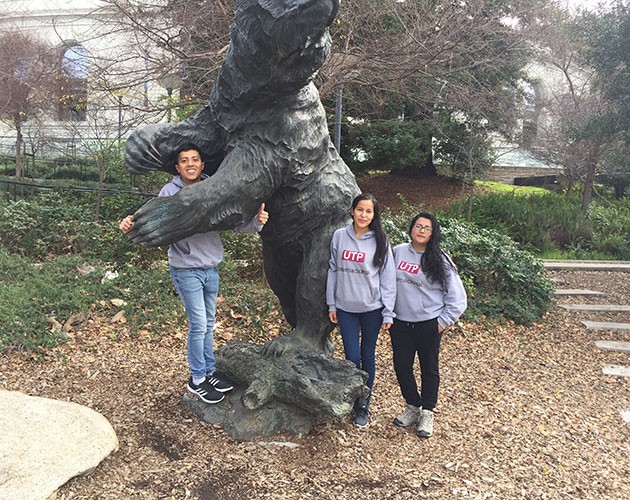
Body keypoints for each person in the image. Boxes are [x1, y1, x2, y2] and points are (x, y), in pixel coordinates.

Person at [120, 143, 269, 404]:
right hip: (186, 269)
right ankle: (197, 379)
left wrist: (256, 222)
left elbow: (231, 221)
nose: (190, 164)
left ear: (202, 164)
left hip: (211, 267)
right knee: (199, 325)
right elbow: (151, 219)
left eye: (195, 159)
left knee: (208, 325)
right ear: (177, 167)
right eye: (185, 161)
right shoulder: (170, 191)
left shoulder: (213, 187)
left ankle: (209, 372)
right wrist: (130, 224)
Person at [390, 212, 467, 438]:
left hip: (428, 324)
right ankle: (412, 406)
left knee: (429, 369)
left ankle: (427, 411)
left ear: (433, 233)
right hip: (401, 323)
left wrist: (441, 323)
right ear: (411, 228)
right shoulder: (398, 252)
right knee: (402, 366)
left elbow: (458, 298)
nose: (421, 231)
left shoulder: (440, 259)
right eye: (418, 226)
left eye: (427, 228)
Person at [326, 193, 396, 428]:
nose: (363, 215)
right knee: (352, 358)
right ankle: (352, 396)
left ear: (374, 215)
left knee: (367, 356)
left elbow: (388, 279)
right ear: (352, 211)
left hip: (372, 309)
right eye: (360, 210)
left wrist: (388, 311)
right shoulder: (339, 236)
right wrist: (331, 304)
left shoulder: (380, 240)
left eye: (369, 211)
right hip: (346, 308)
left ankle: (363, 404)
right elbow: (333, 270)